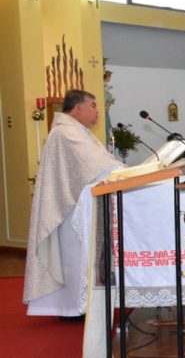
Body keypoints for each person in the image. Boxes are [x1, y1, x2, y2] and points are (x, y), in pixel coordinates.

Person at [25, 89, 122, 317]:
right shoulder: (66, 133)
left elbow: (101, 163)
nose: (98, 111)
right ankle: (72, 308)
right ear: (78, 107)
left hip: (79, 205)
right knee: (75, 258)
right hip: (71, 210)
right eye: (94, 105)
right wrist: (130, 173)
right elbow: (98, 167)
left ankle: (77, 306)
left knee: (80, 257)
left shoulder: (77, 131)